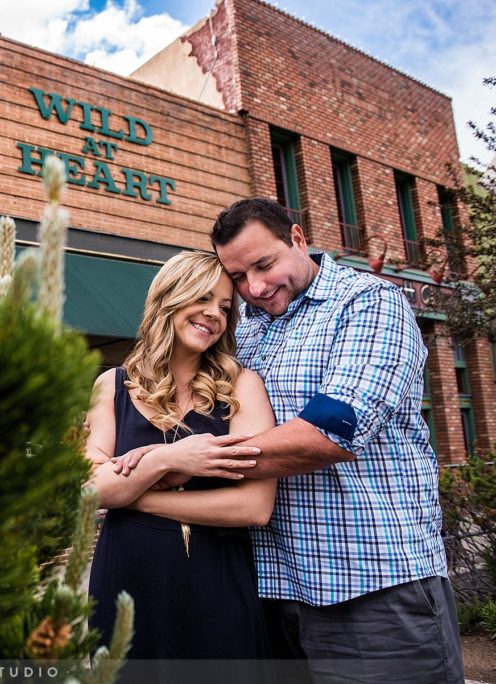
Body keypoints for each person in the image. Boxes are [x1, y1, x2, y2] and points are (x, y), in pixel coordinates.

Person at [116, 199, 463, 683]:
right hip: (266, 588)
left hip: (370, 586)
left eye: (264, 264)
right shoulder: (244, 329)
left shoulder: (368, 303)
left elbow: (331, 433)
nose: (254, 287)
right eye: (237, 276)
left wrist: (182, 464)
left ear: (298, 239)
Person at [84, 250, 276, 670]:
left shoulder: (243, 387)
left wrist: (135, 496)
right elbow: (92, 489)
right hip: (127, 581)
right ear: (170, 297)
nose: (215, 315)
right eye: (203, 299)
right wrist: (171, 457)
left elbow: (254, 507)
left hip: (215, 581)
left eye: (225, 308)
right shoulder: (111, 385)